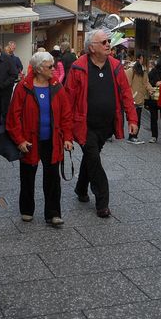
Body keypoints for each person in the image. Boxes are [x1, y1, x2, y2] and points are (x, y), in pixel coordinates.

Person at [65, 29, 139, 217]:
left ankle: (81, 189)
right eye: (104, 42)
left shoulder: (115, 66)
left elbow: (126, 93)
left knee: (92, 156)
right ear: (92, 48)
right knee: (95, 161)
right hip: (84, 125)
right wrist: (65, 130)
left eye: (108, 41)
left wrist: (132, 118)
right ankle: (102, 202)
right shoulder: (78, 67)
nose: (108, 45)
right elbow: (68, 99)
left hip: (105, 126)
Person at [5, 51, 74, 227]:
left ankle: (53, 214)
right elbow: (14, 117)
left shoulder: (57, 86)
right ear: (38, 69)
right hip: (29, 141)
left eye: (53, 65)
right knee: (27, 176)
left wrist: (67, 137)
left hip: (52, 141)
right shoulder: (24, 87)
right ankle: (27, 210)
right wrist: (19, 140)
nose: (54, 69)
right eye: (49, 66)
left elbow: (66, 114)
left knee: (52, 178)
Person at [124, 52, 149, 144]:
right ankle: (132, 136)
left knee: (138, 118)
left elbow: (146, 82)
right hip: (134, 97)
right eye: (141, 58)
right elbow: (127, 83)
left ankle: (135, 136)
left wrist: (151, 90)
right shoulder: (132, 70)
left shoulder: (143, 70)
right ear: (138, 59)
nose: (142, 60)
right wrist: (131, 96)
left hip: (140, 97)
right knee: (134, 118)